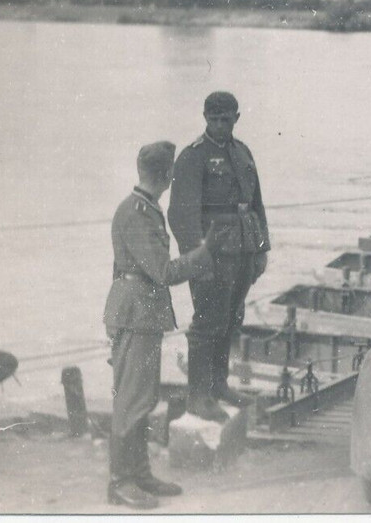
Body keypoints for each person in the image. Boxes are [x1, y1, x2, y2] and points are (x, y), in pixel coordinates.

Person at [105, 141, 216, 509]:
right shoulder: (138, 213)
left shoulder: (145, 208)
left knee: (143, 397)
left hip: (140, 315)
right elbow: (162, 271)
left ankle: (138, 473)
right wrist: (203, 255)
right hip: (136, 316)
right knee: (132, 400)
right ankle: (121, 482)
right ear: (167, 175)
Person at [168, 92, 270, 423]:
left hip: (243, 248)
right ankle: (198, 396)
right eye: (214, 119)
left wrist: (262, 249)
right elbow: (181, 216)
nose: (220, 125)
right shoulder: (192, 158)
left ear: (236, 118)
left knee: (231, 318)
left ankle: (219, 385)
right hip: (212, 254)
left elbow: (257, 204)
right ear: (205, 117)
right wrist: (197, 260)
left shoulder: (243, 153)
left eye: (226, 119)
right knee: (206, 322)